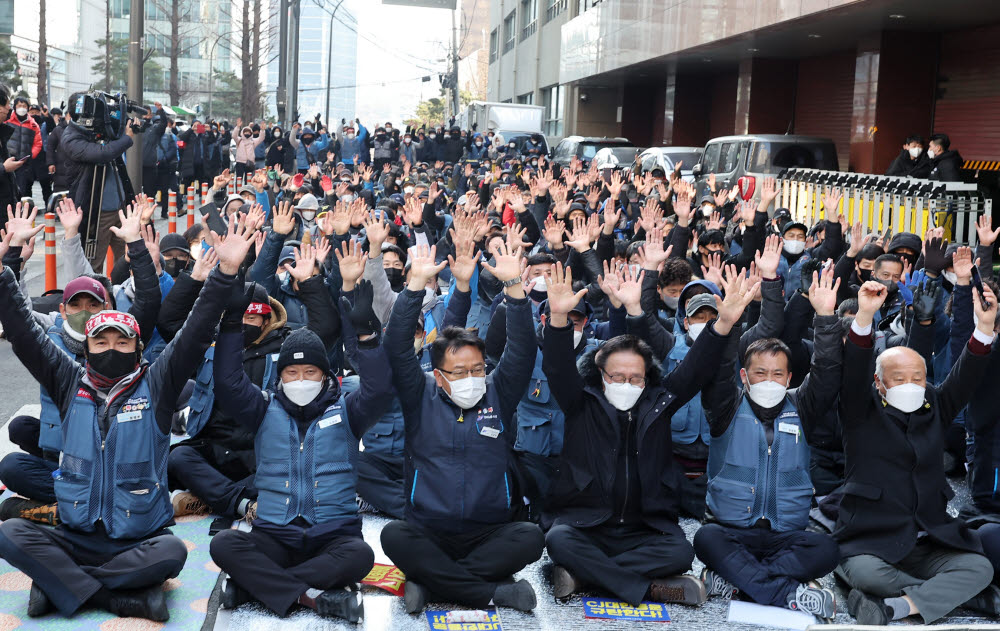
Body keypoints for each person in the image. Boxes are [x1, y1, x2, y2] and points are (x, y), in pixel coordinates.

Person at [0, 213, 255, 621]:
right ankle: (117, 597)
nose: (111, 348)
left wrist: (225, 272)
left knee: (172, 553)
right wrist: (2, 272)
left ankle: (59, 585)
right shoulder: (69, 382)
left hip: (137, 539)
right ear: (86, 350)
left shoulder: (157, 386)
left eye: (122, 341)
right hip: (74, 534)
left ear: (138, 351)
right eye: (101, 340)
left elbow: (194, 330)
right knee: (9, 533)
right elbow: (23, 333)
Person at [542, 262, 758, 607]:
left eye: (636, 378)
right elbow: (556, 366)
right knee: (558, 542)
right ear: (600, 375)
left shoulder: (660, 403)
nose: (627, 384)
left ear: (647, 378)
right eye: (617, 376)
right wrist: (557, 319)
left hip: (644, 530)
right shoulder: (580, 402)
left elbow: (696, 368)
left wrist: (725, 323)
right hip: (587, 524)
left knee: (681, 552)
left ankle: (584, 576)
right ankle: (646, 589)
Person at [208, 269, 391, 621]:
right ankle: (311, 597)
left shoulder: (349, 411)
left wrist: (367, 338)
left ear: (326, 376)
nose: (301, 379)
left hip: (333, 536)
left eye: (311, 372)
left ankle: (254, 587)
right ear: (281, 376)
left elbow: (380, 389)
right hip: (274, 535)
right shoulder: (262, 409)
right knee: (224, 543)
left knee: (361, 557)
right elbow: (229, 384)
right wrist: (231, 323)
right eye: (293, 373)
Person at [379, 243, 544, 614]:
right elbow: (396, 349)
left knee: (532, 538)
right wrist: (414, 288)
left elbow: (522, 351)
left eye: (477, 369)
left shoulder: (498, 392)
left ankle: (431, 582)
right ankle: (491, 593)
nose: (472, 378)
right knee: (393, 535)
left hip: (489, 532)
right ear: (438, 376)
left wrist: (515, 290)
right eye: (459, 372)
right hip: (429, 530)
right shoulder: (418, 393)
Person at [836, 279, 999, 625]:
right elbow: (853, 371)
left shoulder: (935, 405)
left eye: (917, 377)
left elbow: (965, 376)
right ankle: (964, 597)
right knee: (867, 575)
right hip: (871, 541)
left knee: (978, 566)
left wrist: (984, 328)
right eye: (898, 378)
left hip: (927, 540)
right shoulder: (859, 412)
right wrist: (864, 316)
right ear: (879, 384)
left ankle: (897, 607)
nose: (909, 384)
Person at [693, 267, 844, 620]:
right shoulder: (726, 406)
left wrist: (825, 317)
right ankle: (786, 592)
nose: (769, 379)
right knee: (705, 541)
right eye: (760, 372)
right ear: (745, 376)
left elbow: (827, 372)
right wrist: (729, 320)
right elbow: (720, 367)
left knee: (826, 548)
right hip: (731, 531)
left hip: (785, 536)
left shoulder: (801, 407)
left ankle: (737, 582)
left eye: (777, 374)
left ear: (790, 378)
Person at [60, 94, 138, 272]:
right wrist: (127, 137)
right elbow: (102, 154)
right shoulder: (71, 137)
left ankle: (122, 297)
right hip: (96, 212)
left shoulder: (100, 131)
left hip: (120, 209)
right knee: (93, 267)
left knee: (126, 264)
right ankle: (97, 298)